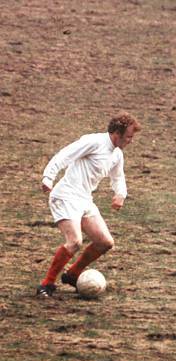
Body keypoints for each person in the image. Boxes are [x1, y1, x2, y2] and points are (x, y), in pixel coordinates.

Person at [36, 112, 142, 297]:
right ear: (117, 133)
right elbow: (65, 155)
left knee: (105, 242)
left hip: (84, 199)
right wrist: (48, 176)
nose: (130, 141)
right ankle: (47, 284)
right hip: (66, 196)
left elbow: (118, 177)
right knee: (75, 241)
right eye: (129, 137)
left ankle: (72, 274)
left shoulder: (117, 154)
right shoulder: (94, 142)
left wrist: (120, 194)